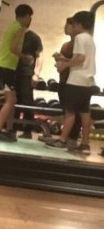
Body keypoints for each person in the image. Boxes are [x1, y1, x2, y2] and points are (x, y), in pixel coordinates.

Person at [47, 11, 97, 154]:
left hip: (76, 81)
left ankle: (62, 141)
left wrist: (65, 65)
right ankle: (85, 144)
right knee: (85, 114)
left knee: (69, 113)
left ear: (79, 25)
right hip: (87, 82)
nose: (72, 28)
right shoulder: (90, 39)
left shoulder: (80, 38)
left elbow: (80, 58)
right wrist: (65, 60)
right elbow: (82, 59)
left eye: (73, 25)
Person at [0, 4, 34, 141]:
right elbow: (13, 48)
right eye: (30, 17)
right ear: (26, 16)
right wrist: (26, 57)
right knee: (10, 100)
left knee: (12, 100)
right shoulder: (19, 28)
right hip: (6, 67)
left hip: (4, 66)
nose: (30, 20)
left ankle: (9, 130)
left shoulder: (13, 26)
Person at [46, 17, 81, 143]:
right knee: (65, 110)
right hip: (63, 79)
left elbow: (78, 62)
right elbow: (63, 62)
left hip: (73, 81)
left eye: (68, 25)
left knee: (72, 111)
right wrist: (59, 60)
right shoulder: (66, 45)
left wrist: (63, 59)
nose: (65, 28)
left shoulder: (79, 44)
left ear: (74, 27)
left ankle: (71, 138)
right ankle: (65, 137)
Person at [14, 30, 43, 139]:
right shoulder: (16, 34)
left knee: (27, 102)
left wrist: (36, 74)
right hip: (14, 72)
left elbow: (40, 56)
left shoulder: (33, 37)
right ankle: (12, 129)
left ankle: (27, 131)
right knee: (14, 101)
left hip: (27, 74)